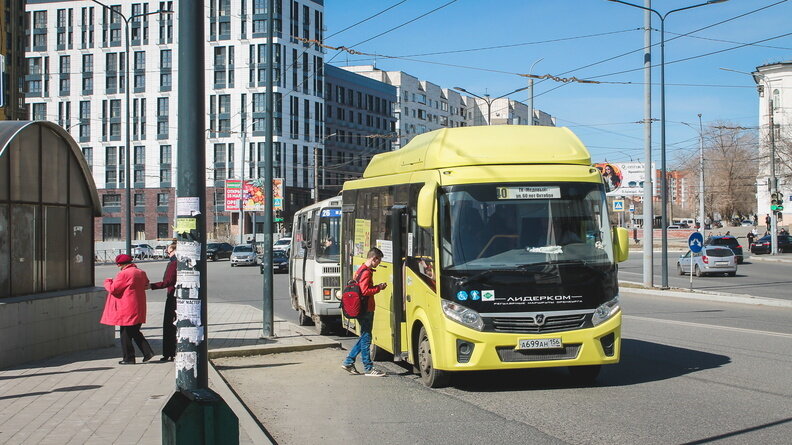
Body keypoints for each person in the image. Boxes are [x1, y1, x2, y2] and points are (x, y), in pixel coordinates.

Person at [341, 247, 388, 377]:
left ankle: (349, 361)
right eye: (378, 261)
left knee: (364, 337)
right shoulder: (366, 272)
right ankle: (368, 368)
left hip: (359, 308)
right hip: (366, 308)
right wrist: (379, 287)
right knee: (366, 338)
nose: (379, 263)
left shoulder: (360, 270)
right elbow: (365, 291)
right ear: (374, 258)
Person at [101, 254, 155, 365]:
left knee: (125, 334)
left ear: (121, 264)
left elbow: (113, 289)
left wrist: (107, 282)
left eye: (118, 265)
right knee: (135, 331)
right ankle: (147, 352)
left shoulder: (124, 274)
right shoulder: (140, 272)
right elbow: (146, 284)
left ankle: (129, 358)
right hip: (138, 306)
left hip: (127, 307)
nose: (118, 267)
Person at [149, 243, 177, 362]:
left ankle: (169, 353)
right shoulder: (183, 262)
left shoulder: (173, 264)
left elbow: (167, 282)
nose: (168, 254)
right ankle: (173, 352)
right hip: (179, 297)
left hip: (173, 296)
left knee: (169, 325)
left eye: (169, 252)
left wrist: (151, 286)